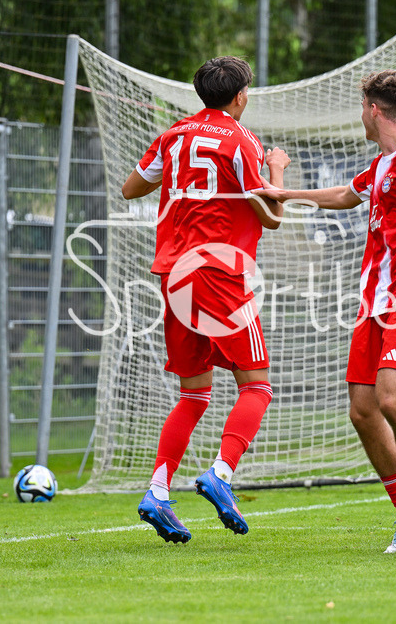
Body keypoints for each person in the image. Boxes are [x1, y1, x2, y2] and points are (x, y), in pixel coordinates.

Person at [257, 70, 396, 553]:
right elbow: (347, 194)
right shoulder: (384, 163)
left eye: (360, 107)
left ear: (373, 109)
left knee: (391, 400)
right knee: (364, 412)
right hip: (373, 305)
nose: (358, 115)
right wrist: (287, 194)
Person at [122, 56, 288, 543]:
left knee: (194, 393)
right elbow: (272, 215)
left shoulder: (173, 136)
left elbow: (131, 187)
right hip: (219, 270)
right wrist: (275, 167)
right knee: (256, 386)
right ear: (239, 96)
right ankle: (221, 472)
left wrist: (184, 181)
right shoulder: (242, 139)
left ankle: (157, 491)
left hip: (174, 273)